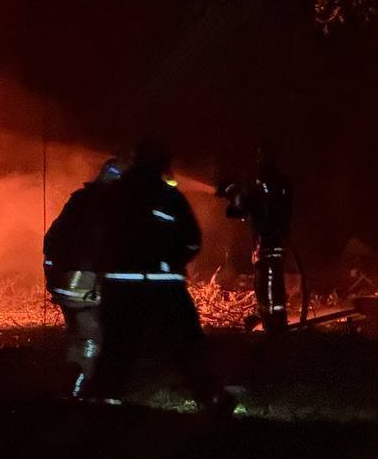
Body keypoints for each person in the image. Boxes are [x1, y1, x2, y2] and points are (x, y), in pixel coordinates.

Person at [91, 141, 223, 408]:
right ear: (161, 164)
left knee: (117, 347)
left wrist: (107, 266)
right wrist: (171, 262)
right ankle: (211, 400)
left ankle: (100, 405)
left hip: (120, 287)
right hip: (164, 288)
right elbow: (192, 240)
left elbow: (95, 237)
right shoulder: (169, 197)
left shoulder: (112, 195)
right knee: (187, 345)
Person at [43, 156, 128, 397]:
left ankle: (70, 386)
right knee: (92, 339)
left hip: (65, 283)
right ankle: (82, 390)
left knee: (76, 335)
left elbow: (52, 239)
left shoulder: (80, 200)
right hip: (88, 287)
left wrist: (51, 273)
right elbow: (110, 248)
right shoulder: (113, 205)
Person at [219, 143, 293, 332]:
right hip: (273, 245)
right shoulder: (278, 184)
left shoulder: (265, 185)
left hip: (267, 244)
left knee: (267, 289)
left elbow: (239, 209)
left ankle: (274, 329)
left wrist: (232, 193)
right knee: (270, 288)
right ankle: (275, 325)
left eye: (260, 156)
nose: (257, 161)